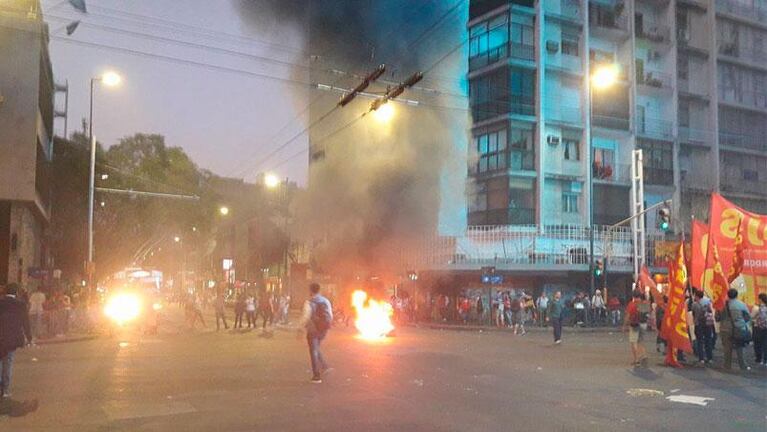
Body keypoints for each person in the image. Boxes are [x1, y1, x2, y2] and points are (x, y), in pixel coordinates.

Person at [0, 283, 33, 398]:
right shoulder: (20, 305)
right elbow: (26, 322)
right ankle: (5, 391)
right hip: (12, 339)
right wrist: (29, 338)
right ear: (16, 292)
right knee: (8, 364)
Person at [299, 283, 333, 383]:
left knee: (313, 351)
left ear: (310, 290)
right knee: (316, 348)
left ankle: (316, 375)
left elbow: (305, 317)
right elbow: (330, 314)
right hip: (323, 329)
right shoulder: (325, 301)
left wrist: (300, 327)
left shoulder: (309, 302)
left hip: (313, 329)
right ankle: (324, 366)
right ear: (319, 290)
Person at [719, 288, 752, 371]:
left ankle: (727, 365)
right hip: (739, 328)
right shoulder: (741, 304)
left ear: (728, 295)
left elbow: (717, 317)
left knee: (727, 348)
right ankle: (743, 365)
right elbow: (748, 317)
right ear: (737, 295)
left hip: (725, 329)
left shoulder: (723, 305)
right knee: (740, 347)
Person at [625, 291, 648, 367]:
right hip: (643, 324)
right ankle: (644, 355)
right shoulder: (644, 304)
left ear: (633, 296)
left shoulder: (632, 304)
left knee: (633, 342)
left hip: (634, 324)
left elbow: (628, 316)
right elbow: (647, 315)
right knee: (640, 341)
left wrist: (625, 325)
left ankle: (636, 360)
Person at [691, 290, 715, 364]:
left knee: (700, 341)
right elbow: (711, 311)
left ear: (697, 296)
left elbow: (693, 314)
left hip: (698, 324)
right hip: (708, 323)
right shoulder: (708, 302)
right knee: (708, 340)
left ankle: (701, 358)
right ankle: (709, 357)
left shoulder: (695, 304)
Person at [751, 293, 767, 366]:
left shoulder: (761, 307)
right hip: (765, 327)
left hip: (761, 328)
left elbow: (761, 318)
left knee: (759, 344)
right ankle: (765, 360)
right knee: (765, 344)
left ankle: (761, 359)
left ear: (760, 299)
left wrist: (758, 323)